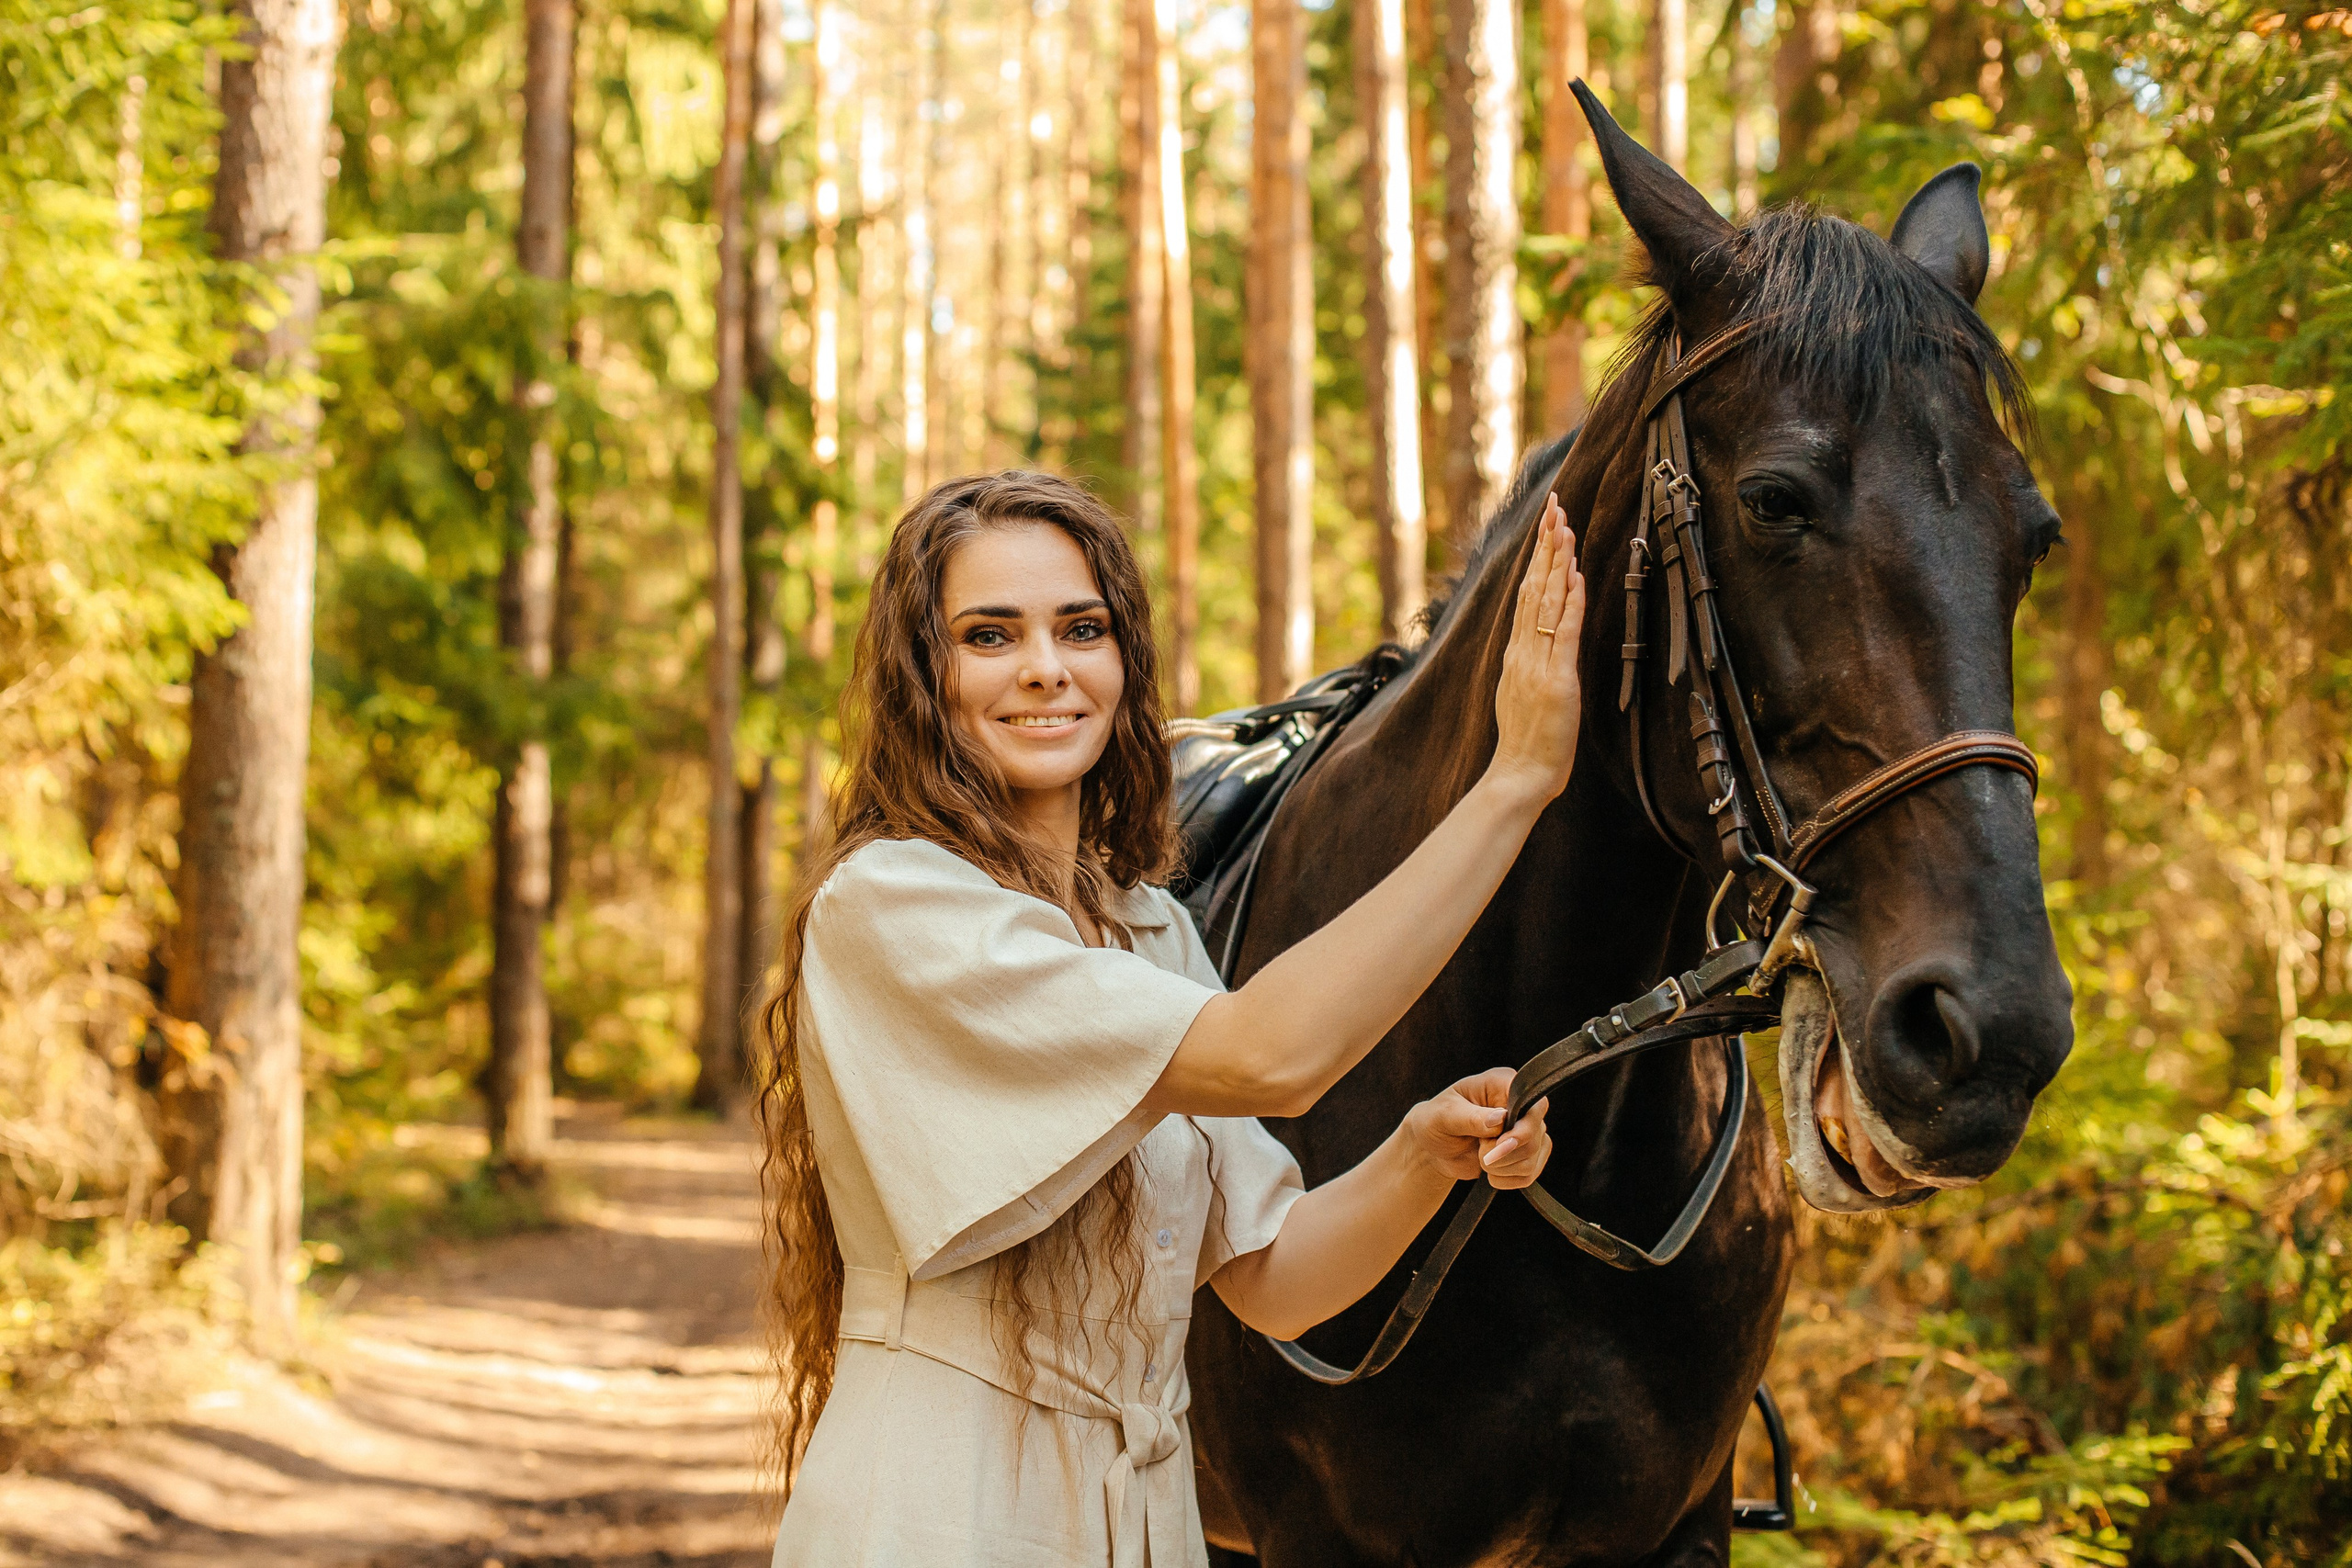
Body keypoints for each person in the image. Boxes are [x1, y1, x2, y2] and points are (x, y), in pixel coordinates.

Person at [759, 469, 1588, 1568]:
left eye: (1082, 628)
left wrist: (1420, 1154)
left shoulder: (1146, 928)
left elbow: (1277, 1281)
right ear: (924, 675)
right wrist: (1512, 782)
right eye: (989, 635)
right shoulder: (894, 905)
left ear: (1124, 660)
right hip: (939, 1514)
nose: (1046, 668)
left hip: (1143, 1525)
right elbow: (1274, 1056)